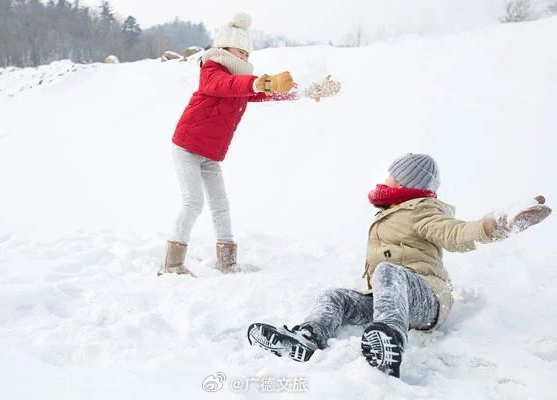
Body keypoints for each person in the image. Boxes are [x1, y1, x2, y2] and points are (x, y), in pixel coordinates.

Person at [247, 153, 551, 378]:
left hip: (425, 299)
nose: (385, 178)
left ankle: (389, 342)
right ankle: (307, 338)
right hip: (391, 299)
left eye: (391, 174)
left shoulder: (422, 209)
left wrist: (496, 225)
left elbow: (455, 233)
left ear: (405, 181)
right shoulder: (394, 210)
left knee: (388, 271)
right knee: (336, 296)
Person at [158, 13, 296, 277]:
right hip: (187, 147)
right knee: (193, 202)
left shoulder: (241, 82)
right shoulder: (211, 70)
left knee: (221, 205)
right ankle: (171, 265)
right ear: (223, 49)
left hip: (210, 154)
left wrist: (304, 91)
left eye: (247, 53)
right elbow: (227, 85)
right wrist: (260, 81)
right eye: (239, 51)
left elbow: (260, 92)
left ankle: (227, 262)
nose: (244, 57)